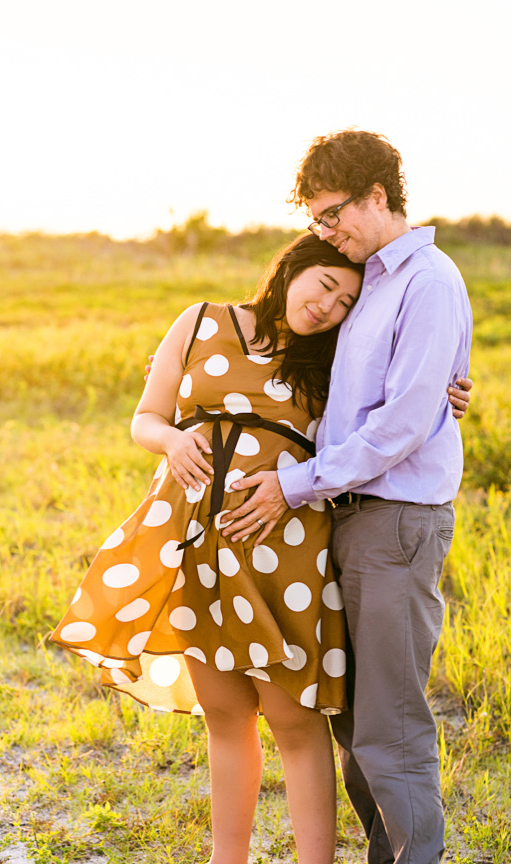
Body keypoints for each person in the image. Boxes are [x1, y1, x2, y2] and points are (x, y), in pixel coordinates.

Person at [54, 233, 366, 864]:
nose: (328, 308)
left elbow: (395, 405)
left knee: (296, 722)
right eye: (325, 286)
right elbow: (145, 416)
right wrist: (170, 442)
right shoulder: (200, 322)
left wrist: (447, 392)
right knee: (226, 716)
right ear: (292, 268)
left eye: (345, 303)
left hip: (285, 549)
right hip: (194, 540)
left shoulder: (337, 357)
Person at [225, 131, 472, 864]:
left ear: (375, 196)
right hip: (349, 519)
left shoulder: (427, 279)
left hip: (394, 521)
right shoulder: (370, 280)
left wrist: (291, 486)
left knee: (388, 723)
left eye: (332, 215)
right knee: (354, 717)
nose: (325, 233)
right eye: (315, 223)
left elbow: (399, 423)